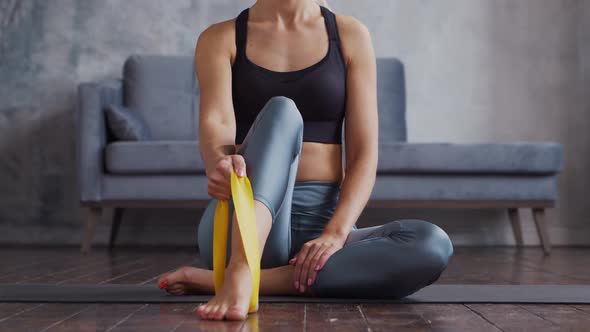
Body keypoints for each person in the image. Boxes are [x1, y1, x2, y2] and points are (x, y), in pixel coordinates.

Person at [157, 0, 454, 321]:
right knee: (283, 111)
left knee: (430, 244)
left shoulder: (350, 34)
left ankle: (235, 281)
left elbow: (363, 153)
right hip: (242, 222)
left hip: (323, 226)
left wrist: (335, 234)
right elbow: (216, 122)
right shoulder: (221, 37)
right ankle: (241, 267)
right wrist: (218, 160)